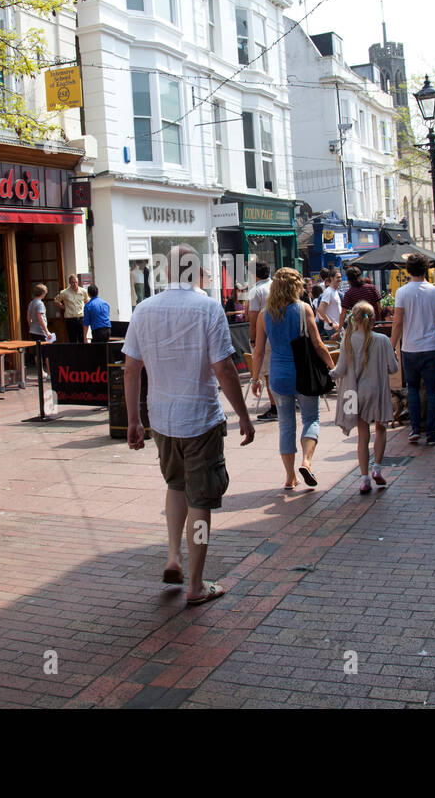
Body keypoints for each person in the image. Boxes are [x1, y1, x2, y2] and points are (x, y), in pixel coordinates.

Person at [122, 245, 254, 607]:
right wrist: (242, 414)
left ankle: (173, 558)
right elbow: (224, 369)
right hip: (199, 419)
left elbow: (131, 368)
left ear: (166, 272)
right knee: (201, 500)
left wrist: (134, 420)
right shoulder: (208, 308)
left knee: (175, 484)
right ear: (197, 271)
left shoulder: (144, 308)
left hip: (161, 420)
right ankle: (196, 584)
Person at [250, 266, 334, 490]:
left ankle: (289, 477)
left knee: (286, 426)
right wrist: (332, 366)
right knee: (310, 419)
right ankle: (306, 462)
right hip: (303, 374)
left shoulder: (264, 314)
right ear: (295, 286)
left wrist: (255, 378)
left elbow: (258, 351)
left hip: (278, 376)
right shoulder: (303, 308)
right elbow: (317, 344)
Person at [330, 302, 399, 493]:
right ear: (373, 319)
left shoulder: (348, 340)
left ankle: (364, 478)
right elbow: (394, 369)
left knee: (362, 435)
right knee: (381, 429)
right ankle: (377, 467)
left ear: (354, 319)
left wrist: (329, 374)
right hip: (377, 391)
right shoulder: (383, 340)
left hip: (354, 392)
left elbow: (341, 369)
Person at [391, 253, 435, 446]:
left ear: (408, 270)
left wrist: (392, 345)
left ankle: (415, 428)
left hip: (410, 348)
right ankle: (431, 432)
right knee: (433, 391)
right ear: (427, 269)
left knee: (413, 389)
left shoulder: (402, 292)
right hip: (432, 347)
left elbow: (398, 323)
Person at [245, 261, 277, 421]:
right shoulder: (276, 286)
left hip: (265, 336)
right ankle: (285, 402)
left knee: (268, 374)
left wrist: (253, 338)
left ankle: (275, 407)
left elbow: (253, 317)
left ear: (253, 274)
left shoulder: (256, 290)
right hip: (281, 334)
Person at [53, 275, 89, 343]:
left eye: (76, 282)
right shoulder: (64, 292)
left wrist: (83, 308)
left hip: (81, 318)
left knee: (82, 339)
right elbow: (56, 301)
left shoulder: (83, 291)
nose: (75, 284)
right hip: (70, 319)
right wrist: (64, 308)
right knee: (72, 339)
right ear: (69, 282)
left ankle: (82, 353)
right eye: (73, 282)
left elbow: (87, 300)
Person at [316, 269, 343, 342]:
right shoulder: (328, 292)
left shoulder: (335, 291)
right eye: (337, 277)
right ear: (331, 278)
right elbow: (321, 309)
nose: (340, 279)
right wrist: (331, 324)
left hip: (337, 327)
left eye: (340, 277)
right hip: (332, 328)